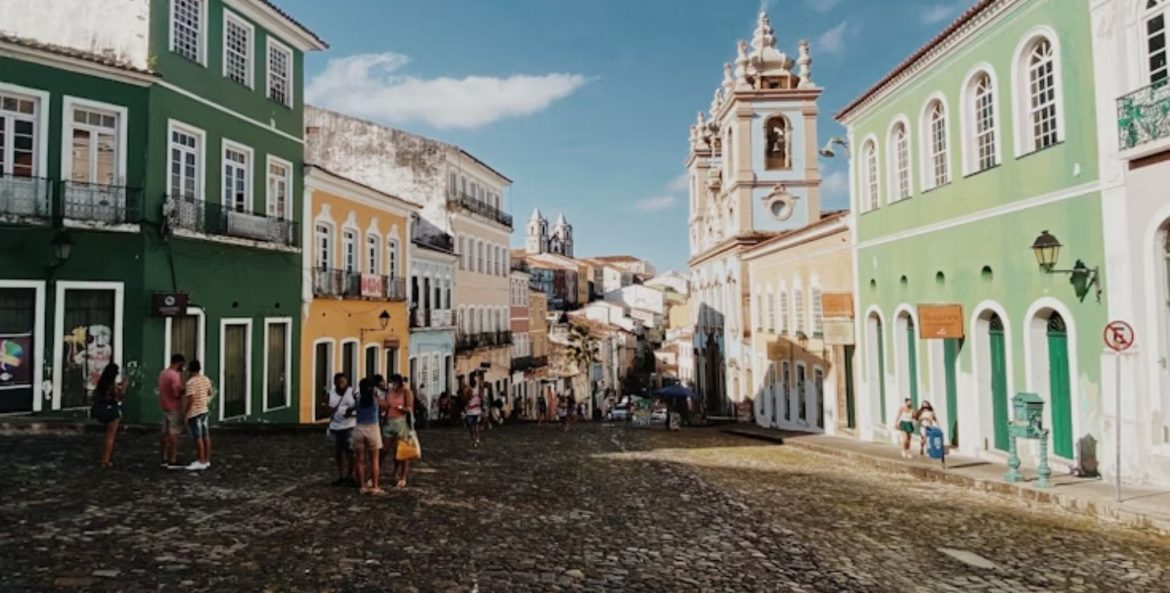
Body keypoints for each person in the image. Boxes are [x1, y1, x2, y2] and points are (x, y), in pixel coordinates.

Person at [352, 378, 386, 495]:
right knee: (374, 460)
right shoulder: (375, 399)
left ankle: (362, 486)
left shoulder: (358, 399)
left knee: (359, 460)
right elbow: (385, 406)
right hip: (373, 428)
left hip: (359, 429)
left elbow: (350, 409)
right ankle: (375, 486)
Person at [383, 374, 415, 488]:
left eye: (394, 382)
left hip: (401, 423)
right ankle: (392, 472)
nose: (392, 384)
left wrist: (401, 408)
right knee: (384, 450)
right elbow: (386, 406)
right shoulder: (389, 392)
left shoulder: (406, 392)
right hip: (389, 422)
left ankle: (403, 477)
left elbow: (410, 408)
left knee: (402, 452)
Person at [92, 363, 126, 468]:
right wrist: (124, 388)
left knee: (107, 435)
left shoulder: (101, 384)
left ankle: (105, 459)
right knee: (110, 436)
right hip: (111, 410)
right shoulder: (112, 386)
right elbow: (120, 397)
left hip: (100, 408)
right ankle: (106, 459)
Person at [327, 373, 357, 486]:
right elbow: (323, 409)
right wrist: (328, 409)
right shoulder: (330, 394)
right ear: (335, 383)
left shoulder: (352, 393)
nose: (341, 384)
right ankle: (340, 475)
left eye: (343, 382)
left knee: (350, 451)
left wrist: (351, 412)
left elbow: (358, 406)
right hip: (335, 427)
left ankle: (350, 475)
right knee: (338, 452)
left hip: (349, 426)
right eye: (339, 382)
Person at [184, 360, 213, 471]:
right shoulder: (206, 379)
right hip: (204, 410)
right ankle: (206, 459)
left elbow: (190, 399)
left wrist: (185, 413)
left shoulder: (190, 382)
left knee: (198, 437)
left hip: (194, 412)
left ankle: (200, 460)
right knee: (206, 435)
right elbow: (210, 392)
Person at [158, 354, 186, 468]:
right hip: (174, 407)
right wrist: (184, 390)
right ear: (178, 363)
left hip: (164, 405)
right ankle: (172, 457)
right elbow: (176, 393)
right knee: (174, 433)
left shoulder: (163, 373)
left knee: (164, 433)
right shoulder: (174, 376)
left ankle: (164, 456)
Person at [464, 376, 484, 446]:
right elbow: (467, 399)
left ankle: (475, 438)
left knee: (474, 426)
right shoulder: (469, 390)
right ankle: (475, 439)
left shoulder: (476, 390)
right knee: (474, 426)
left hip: (474, 411)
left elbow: (481, 398)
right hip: (473, 411)